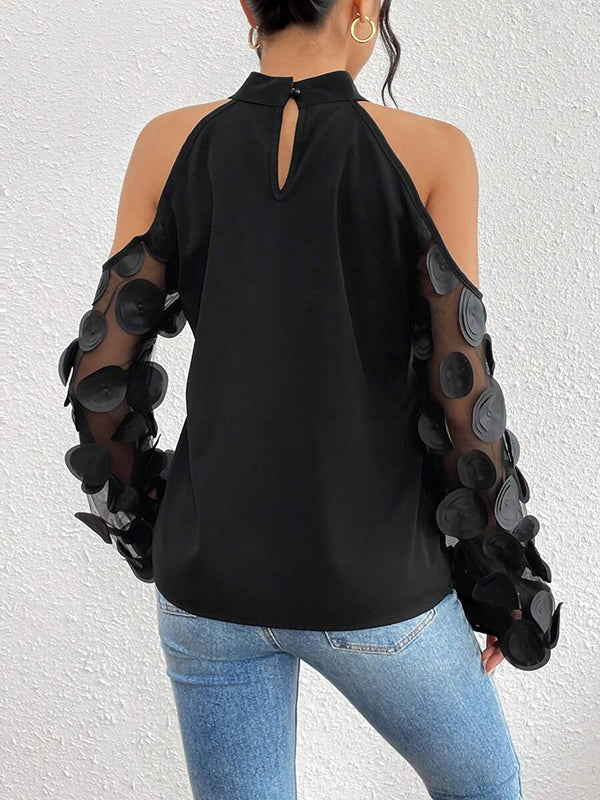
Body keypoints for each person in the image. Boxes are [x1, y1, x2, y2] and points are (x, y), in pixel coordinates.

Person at [58, 1, 562, 797]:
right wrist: (504, 583)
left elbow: (101, 380)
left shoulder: (168, 143)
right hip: (376, 580)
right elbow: (462, 394)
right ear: (364, 6)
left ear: (248, 5)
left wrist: (151, 521)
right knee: (487, 786)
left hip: (209, 581)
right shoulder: (435, 152)